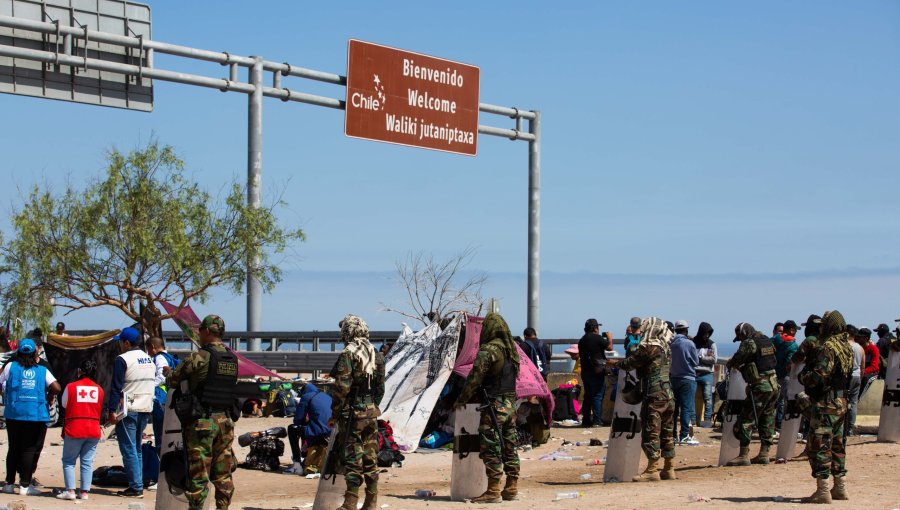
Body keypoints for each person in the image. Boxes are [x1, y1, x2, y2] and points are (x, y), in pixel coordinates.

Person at [164, 315, 238, 510]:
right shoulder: (232, 358)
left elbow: (174, 379)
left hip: (203, 423)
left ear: (206, 331)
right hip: (226, 422)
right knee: (223, 473)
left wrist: (167, 372)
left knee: (199, 473)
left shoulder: (201, 356)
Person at [454, 312, 520, 502]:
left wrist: (461, 400)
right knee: (509, 446)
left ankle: (493, 490)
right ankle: (512, 487)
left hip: (493, 406)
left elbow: (474, 380)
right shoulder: (511, 352)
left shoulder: (488, 351)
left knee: (490, 446)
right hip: (510, 406)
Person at [329, 315, 386, 510]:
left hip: (352, 416)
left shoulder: (348, 354)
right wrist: (371, 406)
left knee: (353, 459)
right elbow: (380, 389)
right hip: (371, 413)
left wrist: (335, 414)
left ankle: (350, 503)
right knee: (371, 459)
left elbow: (341, 389)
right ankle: (371, 503)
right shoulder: (376, 354)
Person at [611, 317, 676, 482]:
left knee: (651, 430)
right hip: (668, 394)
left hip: (654, 394)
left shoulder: (650, 347)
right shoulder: (666, 348)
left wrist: (614, 364)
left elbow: (630, 363)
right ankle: (669, 468)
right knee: (667, 432)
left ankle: (652, 469)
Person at [798, 310, 853, 504]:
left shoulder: (828, 347)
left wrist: (803, 377)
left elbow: (819, 376)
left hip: (825, 404)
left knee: (819, 446)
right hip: (840, 402)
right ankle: (840, 487)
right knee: (838, 445)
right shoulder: (846, 346)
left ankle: (822, 491)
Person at [0, 338, 61, 496]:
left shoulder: (10, 367)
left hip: (14, 413)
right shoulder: (42, 369)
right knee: (28, 450)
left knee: (13, 448)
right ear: (35, 352)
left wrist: (5, 395)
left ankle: (8, 484)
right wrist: (49, 396)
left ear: (18, 352)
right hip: (35, 414)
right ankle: (25, 486)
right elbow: (57, 387)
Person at [105, 327, 155, 498]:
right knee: (137, 449)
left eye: (121, 341)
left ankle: (135, 487)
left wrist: (111, 411)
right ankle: (138, 483)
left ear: (126, 343)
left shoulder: (122, 359)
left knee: (128, 449)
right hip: (145, 409)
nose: (119, 345)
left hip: (128, 410)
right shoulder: (148, 358)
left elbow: (116, 387)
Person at [726, 322, 780, 466]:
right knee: (767, 419)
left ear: (743, 333)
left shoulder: (749, 343)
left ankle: (743, 455)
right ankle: (764, 453)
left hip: (760, 386)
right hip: (773, 385)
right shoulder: (766, 340)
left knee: (746, 418)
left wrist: (731, 363)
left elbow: (738, 358)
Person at [57, 359, 104, 501]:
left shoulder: (71, 387)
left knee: (69, 461)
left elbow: (64, 404)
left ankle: (70, 491)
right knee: (87, 462)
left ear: (80, 371)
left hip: (75, 428)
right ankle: (84, 492)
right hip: (93, 429)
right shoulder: (99, 389)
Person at [285, 382, 332, 476]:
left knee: (292, 429)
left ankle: (297, 464)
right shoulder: (326, 396)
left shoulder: (306, 396)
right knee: (306, 426)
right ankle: (305, 456)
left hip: (319, 430)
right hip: (331, 430)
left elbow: (297, 419)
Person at [146, 336, 177, 456]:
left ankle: (160, 465)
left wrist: (149, 387)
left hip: (160, 400)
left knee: (159, 435)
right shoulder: (169, 357)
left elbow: (161, 376)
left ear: (153, 347)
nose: (148, 353)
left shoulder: (159, 357)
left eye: (148, 350)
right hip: (169, 399)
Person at [669, 320, 699, 444]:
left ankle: (673, 435)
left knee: (674, 409)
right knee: (686, 408)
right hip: (688, 378)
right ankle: (684, 435)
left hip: (673, 378)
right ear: (686, 330)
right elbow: (696, 361)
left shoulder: (671, 343)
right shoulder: (689, 344)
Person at [578, 318, 610, 427]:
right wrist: (610, 337)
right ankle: (597, 421)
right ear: (595, 328)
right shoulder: (597, 338)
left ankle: (586, 420)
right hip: (597, 371)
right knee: (597, 396)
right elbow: (609, 347)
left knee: (587, 396)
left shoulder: (582, 340)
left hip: (585, 372)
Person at [773, 320, 800, 429]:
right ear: (792, 330)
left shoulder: (776, 338)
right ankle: (785, 426)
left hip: (774, 374)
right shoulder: (793, 345)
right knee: (787, 402)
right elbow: (790, 363)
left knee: (774, 402)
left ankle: (771, 427)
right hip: (786, 376)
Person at [693, 322, 717, 428]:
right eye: (705, 333)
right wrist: (705, 357)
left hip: (707, 374)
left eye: (709, 333)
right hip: (694, 373)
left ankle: (707, 420)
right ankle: (693, 419)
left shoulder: (711, 344)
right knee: (692, 397)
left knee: (708, 397)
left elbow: (714, 359)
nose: (707, 335)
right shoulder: (693, 342)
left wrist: (700, 358)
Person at [845, 330, 865, 436]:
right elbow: (863, 365)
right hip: (857, 376)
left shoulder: (844, 346)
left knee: (842, 401)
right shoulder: (860, 348)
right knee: (853, 402)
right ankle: (850, 428)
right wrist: (860, 378)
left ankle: (843, 426)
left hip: (846, 377)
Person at [857, 328, 880, 398]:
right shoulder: (858, 348)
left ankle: (859, 399)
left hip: (872, 373)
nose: (858, 338)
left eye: (860, 337)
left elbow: (874, 367)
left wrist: (862, 372)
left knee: (865, 379)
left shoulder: (873, 349)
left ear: (866, 338)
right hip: (861, 371)